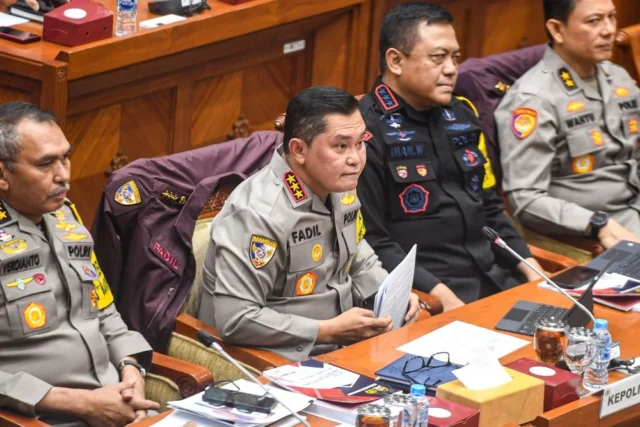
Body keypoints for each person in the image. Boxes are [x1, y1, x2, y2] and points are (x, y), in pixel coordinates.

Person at [198, 86, 420, 362]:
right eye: (341, 146)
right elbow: (237, 319)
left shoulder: (338, 182)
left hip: (344, 346)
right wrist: (327, 331)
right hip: (272, 360)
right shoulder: (259, 214)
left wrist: (391, 293)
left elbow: (356, 254)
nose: (356, 159)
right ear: (299, 150)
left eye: (360, 142)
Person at [357, 3, 543, 309]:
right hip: (430, 296)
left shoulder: (462, 114)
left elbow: (490, 206)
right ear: (396, 61)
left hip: (496, 279)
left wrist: (532, 268)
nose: (451, 69)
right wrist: (443, 298)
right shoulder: (363, 131)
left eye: (454, 57)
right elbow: (373, 240)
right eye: (438, 57)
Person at [0, 102, 159, 426]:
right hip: (42, 417)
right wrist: (82, 403)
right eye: (46, 164)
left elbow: (104, 311)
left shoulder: (65, 217)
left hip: (120, 405)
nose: (63, 176)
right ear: (3, 175)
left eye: (65, 157)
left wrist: (131, 369)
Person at [495, 0, 640, 249]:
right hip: (598, 226)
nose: (609, 30)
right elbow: (525, 198)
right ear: (557, 30)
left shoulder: (617, 77)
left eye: (612, 17)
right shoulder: (533, 99)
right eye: (594, 21)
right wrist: (596, 223)